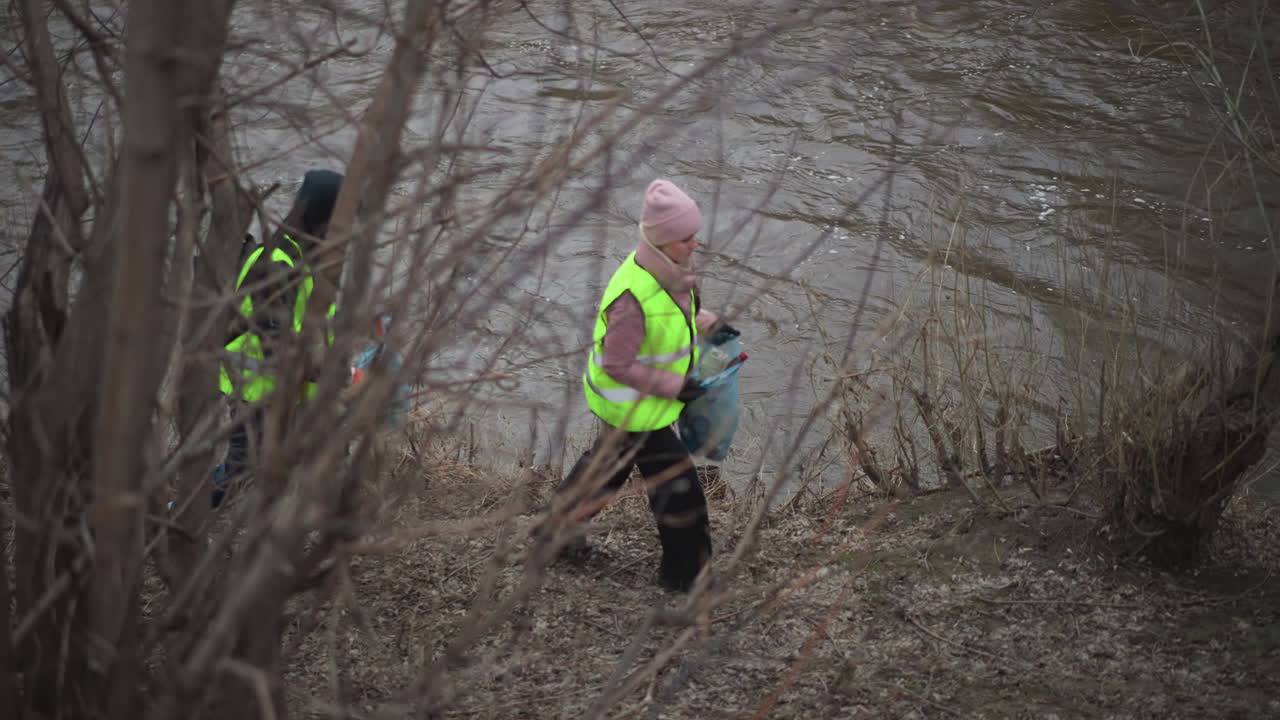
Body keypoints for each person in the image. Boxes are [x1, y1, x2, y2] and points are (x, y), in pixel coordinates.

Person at [554, 178, 730, 592]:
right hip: (632, 407)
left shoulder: (666, 271)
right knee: (679, 490)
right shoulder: (632, 297)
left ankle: (554, 534)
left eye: (695, 236)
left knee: (606, 472)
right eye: (686, 238)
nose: (695, 244)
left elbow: (678, 313)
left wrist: (712, 324)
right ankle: (686, 577)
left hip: (640, 406)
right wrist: (676, 386)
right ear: (663, 241)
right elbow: (617, 364)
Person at [212, 169, 342, 507]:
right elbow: (273, 336)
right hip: (256, 390)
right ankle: (183, 513)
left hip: (284, 387)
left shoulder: (304, 255)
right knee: (240, 472)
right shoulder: (278, 261)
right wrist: (319, 368)